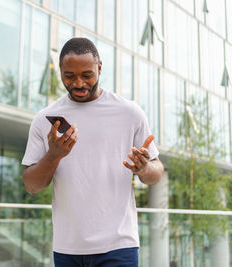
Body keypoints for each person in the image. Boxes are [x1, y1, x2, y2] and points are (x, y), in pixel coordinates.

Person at [21, 37, 164, 267]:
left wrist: (145, 168)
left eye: (87, 75)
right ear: (60, 71)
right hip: (68, 248)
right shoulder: (44, 120)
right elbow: (32, 186)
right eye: (69, 76)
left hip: (119, 245)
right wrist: (53, 155)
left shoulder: (130, 112)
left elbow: (157, 172)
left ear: (99, 68)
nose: (78, 84)